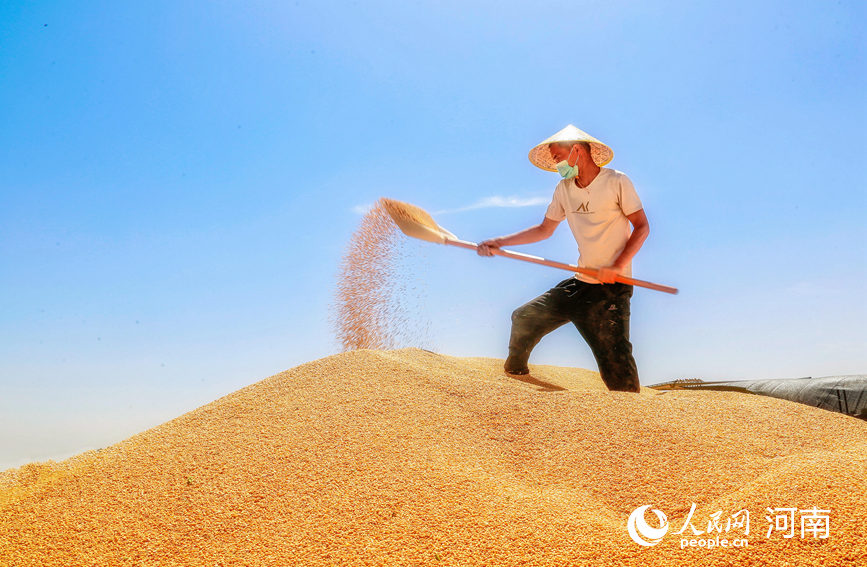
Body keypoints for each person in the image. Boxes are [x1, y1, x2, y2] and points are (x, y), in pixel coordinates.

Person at [477, 125, 649, 393]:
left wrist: (616, 266)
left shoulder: (617, 181)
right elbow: (544, 229)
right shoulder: (564, 189)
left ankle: (635, 420)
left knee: (618, 367)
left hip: (611, 291)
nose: (557, 165)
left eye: (558, 158)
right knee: (524, 317)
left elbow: (642, 227)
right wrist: (501, 243)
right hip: (580, 284)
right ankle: (515, 380)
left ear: (577, 150)